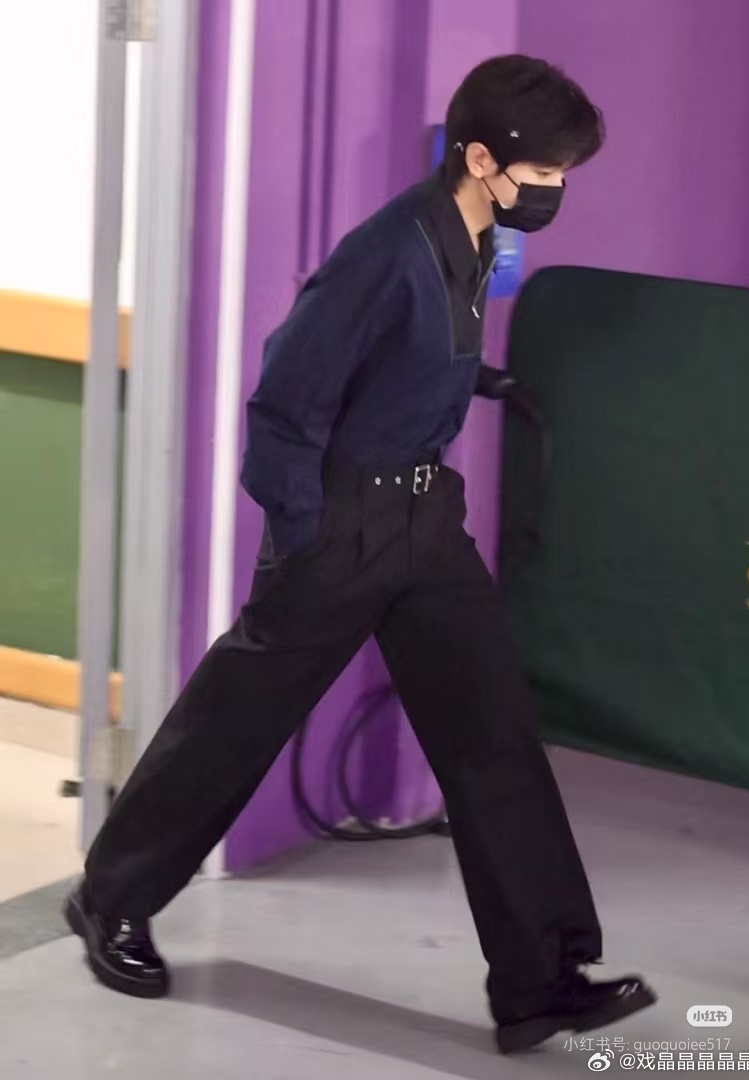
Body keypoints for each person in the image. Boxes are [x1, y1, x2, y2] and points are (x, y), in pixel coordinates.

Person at [65, 55, 657, 1054]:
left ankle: (541, 982)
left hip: (425, 526)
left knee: (495, 737)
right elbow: (285, 399)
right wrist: (302, 535)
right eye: (545, 173)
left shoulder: (476, 237)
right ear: (480, 158)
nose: (556, 189)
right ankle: (109, 901)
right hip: (340, 528)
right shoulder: (385, 251)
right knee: (233, 725)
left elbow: (406, 359)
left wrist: (476, 384)